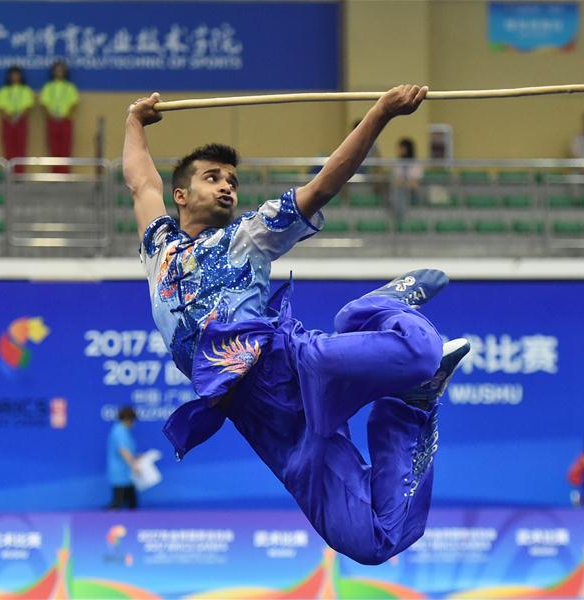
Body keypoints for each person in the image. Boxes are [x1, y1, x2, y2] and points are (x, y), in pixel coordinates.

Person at [123, 86, 470, 565]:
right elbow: (142, 183)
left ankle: (372, 311)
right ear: (181, 194)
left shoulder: (248, 236)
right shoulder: (158, 249)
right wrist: (133, 123)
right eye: (212, 177)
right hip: (268, 424)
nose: (227, 186)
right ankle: (414, 405)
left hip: (292, 365)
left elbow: (323, 184)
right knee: (372, 542)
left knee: (421, 354)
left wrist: (381, 113)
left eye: (232, 180)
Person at [40, 60, 79, 174]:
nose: (59, 72)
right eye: (57, 70)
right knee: (53, 147)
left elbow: (73, 104)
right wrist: (52, 116)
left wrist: (64, 116)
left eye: (61, 70)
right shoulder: (48, 87)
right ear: (53, 72)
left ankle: (65, 173)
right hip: (52, 120)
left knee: (65, 147)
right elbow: (44, 104)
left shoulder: (70, 87)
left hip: (65, 120)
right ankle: (54, 173)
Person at [0, 66, 34, 173]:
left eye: (17, 74)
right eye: (12, 74)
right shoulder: (4, 90)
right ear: (9, 76)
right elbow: (1, 107)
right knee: (8, 148)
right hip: (7, 121)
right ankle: (9, 174)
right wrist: (9, 118)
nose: (15, 77)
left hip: (21, 121)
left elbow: (28, 106)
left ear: (21, 76)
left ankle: (19, 173)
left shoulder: (26, 90)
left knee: (20, 147)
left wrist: (18, 117)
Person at [106, 406, 139, 509]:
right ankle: (98, 521)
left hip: (127, 475)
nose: (134, 424)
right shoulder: (119, 431)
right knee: (117, 504)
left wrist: (138, 457)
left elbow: (128, 451)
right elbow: (123, 451)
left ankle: (133, 524)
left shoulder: (122, 431)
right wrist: (134, 465)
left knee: (131, 503)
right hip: (120, 475)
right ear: (128, 419)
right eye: (133, 421)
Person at [389, 138, 423, 224]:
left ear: (408, 149)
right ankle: (400, 217)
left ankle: (400, 217)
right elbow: (395, 181)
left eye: (401, 148)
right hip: (401, 192)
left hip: (413, 194)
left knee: (399, 190)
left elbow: (415, 185)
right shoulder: (398, 164)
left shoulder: (416, 164)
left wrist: (403, 183)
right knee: (397, 190)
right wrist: (405, 183)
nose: (399, 150)